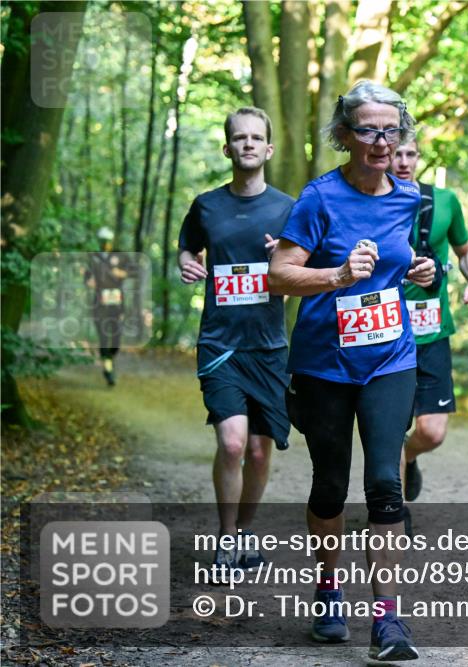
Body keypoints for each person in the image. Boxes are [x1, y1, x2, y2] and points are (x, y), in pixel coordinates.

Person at [269, 80, 435, 661]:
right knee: (331, 484)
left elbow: (402, 263)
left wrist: (420, 271)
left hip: (391, 357)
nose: (382, 140)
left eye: (391, 129)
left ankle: (388, 620)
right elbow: (279, 274)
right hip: (323, 365)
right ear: (345, 136)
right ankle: (328, 588)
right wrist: (338, 276)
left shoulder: (411, 197)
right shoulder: (318, 198)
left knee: (385, 482)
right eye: (368, 129)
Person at [177, 107, 294, 576]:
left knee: (260, 451)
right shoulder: (207, 205)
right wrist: (187, 261)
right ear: (227, 149)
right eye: (239, 138)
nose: (247, 144)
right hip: (220, 343)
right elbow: (188, 245)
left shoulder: (288, 208)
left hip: (268, 347)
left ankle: (247, 531)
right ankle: (226, 541)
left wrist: (284, 257)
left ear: (268, 148)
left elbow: (312, 265)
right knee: (231, 443)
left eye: (256, 138)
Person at [390, 140, 468, 502]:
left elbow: (465, 250)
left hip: (432, 332)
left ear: (418, 158)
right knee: (390, 430)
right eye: (396, 154)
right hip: (386, 333)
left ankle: (409, 457)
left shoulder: (445, 201)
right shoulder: (372, 202)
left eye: (409, 154)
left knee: (432, 432)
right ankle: (394, 513)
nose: (402, 161)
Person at [85, 227, 128, 386]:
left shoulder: (119, 256)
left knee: (116, 337)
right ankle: (108, 369)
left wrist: (118, 273)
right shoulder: (93, 258)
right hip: (99, 303)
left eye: (107, 241)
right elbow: (87, 279)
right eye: (102, 241)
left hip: (116, 302)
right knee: (103, 337)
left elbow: (128, 273)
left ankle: (110, 357)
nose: (105, 244)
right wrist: (91, 282)